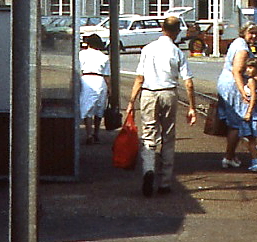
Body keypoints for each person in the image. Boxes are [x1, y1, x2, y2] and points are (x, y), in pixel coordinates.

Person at [125, 15, 197, 197]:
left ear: (162, 29)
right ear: (176, 32)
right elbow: (188, 83)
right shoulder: (177, 52)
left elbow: (139, 78)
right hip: (168, 93)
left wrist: (131, 102)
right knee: (168, 137)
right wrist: (191, 107)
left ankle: (148, 169)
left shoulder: (148, 49)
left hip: (148, 93)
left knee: (149, 136)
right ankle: (164, 182)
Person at [216, 21, 257, 168]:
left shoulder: (238, 42)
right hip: (233, 86)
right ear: (243, 32)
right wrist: (243, 92)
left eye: (256, 33)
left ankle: (231, 155)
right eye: (251, 33)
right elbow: (237, 71)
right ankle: (228, 157)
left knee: (231, 121)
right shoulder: (243, 49)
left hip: (226, 82)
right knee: (236, 123)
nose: (254, 36)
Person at [78, 33, 110, 144]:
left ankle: (88, 133)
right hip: (100, 80)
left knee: (87, 107)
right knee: (99, 108)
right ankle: (96, 133)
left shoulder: (81, 54)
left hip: (86, 79)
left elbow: (78, 70)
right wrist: (110, 90)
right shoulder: (104, 57)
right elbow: (107, 76)